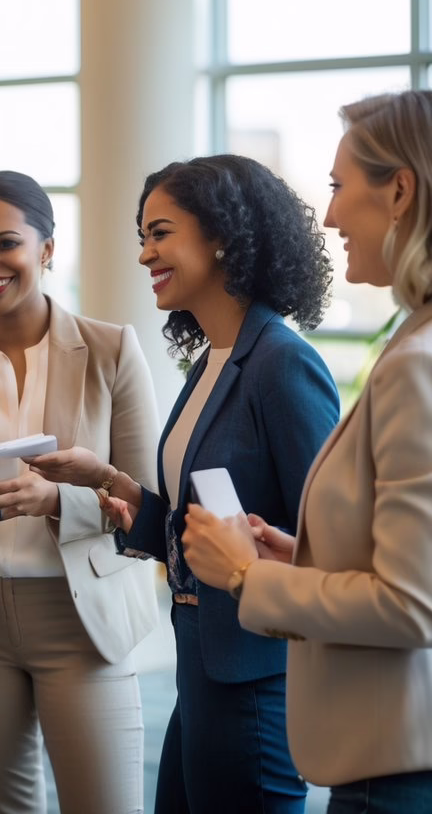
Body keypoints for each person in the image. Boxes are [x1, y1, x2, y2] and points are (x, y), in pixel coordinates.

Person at [33, 155, 339, 813]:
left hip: (257, 678)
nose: (145, 254)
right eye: (143, 235)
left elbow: (331, 541)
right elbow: (189, 524)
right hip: (201, 668)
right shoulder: (211, 362)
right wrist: (110, 481)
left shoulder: (283, 367)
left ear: (223, 236)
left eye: (161, 232)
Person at [183, 91, 432, 813]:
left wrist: (242, 576)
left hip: (393, 760)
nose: (327, 217)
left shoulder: (415, 363)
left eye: (337, 186)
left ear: (400, 189)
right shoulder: (410, 343)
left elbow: (411, 606)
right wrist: (302, 558)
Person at [0, 170, 160, 814]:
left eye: (5, 243)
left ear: (46, 249)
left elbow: (148, 506)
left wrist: (57, 501)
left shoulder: (111, 350)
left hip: (80, 619)